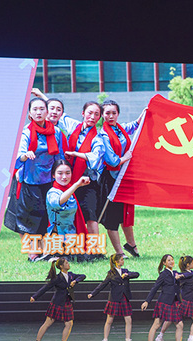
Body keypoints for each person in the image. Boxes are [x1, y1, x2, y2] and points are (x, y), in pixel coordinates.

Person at [4, 98, 65, 261]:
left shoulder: (56, 132)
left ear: (47, 112)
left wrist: (61, 176)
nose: (39, 112)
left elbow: (59, 157)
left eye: (42, 109)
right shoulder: (25, 132)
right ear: (29, 114)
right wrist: (25, 155)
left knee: (47, 216)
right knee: (29, 218)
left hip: (49, 181)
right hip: (30, 181)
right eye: (35, 109)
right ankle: (32, 254)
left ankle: (46, 252)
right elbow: (17, 156)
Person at [97, 100, 144, 258]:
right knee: (112, 217)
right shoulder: (103, 134)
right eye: (107, 113)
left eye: (114, 113)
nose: (110, 116)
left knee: (125, 213)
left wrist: (145, 112)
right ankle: (119, 252)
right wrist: (126, 158)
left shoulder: (120, 128)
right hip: (110, 179)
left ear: (118, 114)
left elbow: (135, 125)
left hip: (124, 177)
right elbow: (112, 160)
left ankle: (132, 245)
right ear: (102, 115)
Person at [64, 101, 105, 239]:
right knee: (68, 216)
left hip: (87, 182)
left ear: (99, 118)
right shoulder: (73, 126)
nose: (92, 117)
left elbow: (95, 157)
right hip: (68, 181)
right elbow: (58, 113)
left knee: (90, 216)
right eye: (90, 113)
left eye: (96, 114)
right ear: (83, 113)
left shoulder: (98, 137)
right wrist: (41, 96)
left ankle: (95, 248)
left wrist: (75, 154)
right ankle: (72, 246)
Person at [30, 257, 86, 341]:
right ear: (61, 266)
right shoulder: (57, 278)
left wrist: (75, 281)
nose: (68, 264)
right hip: (57, 303)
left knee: (69, 323)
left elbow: (83, 276)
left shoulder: (71, 275)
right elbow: (46, 287)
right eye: (66, 263)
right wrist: (35, 296)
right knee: (48, 323)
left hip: (67, 302)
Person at [87, 253, 139, 341]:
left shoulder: (125, 271)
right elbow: (103, 284)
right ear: (116, 261)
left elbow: (136, 274)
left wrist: (127, 275)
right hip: (114, 298)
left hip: (124, 297)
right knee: (109, 320)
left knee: (128, 319)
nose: (123, 261)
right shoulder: (111, 273)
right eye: (121, 260)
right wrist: (93, 293)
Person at [141, 254, 188, 341]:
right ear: (164, 263)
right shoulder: (163, 274)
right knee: (156, 324)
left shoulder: (175, 273)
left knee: (180, 325)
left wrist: (179, 278)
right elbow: (155, 287)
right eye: (169, 260)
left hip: (173, 303)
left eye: (172, 259)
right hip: (164, 302)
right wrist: (147, 301)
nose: (171, 262)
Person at [156, 256, 193, 341]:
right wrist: (182, 276)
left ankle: (191, 338)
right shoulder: (181, 275)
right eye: (192, 263)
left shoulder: (191, 273)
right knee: (170, 319)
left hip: (191, 300)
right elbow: (185, 275)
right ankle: (160, 335)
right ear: (188, 264)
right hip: (184, 301)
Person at [46, 159, 89, 237]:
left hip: (71, 235)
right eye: (60, 173)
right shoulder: (52, 192)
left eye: (67, 173)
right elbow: (58, 202)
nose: (64, 177)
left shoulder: (70, 192)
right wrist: (76, 185)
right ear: (53, 175)